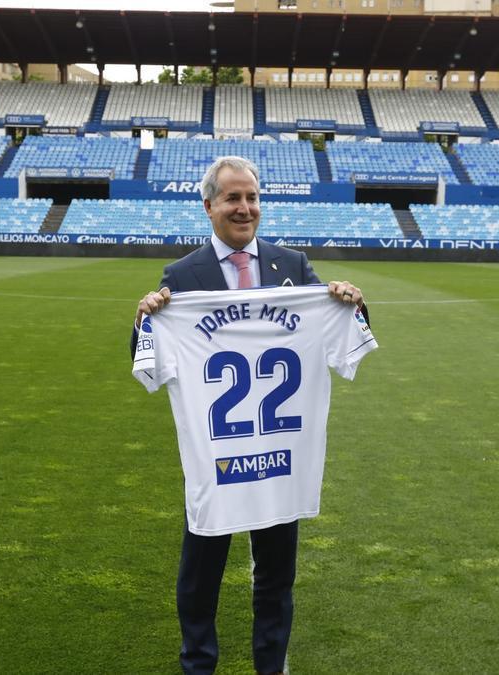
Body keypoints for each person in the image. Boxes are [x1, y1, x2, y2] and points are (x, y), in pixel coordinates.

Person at [133, 156, 367, 675]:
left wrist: (350, 304)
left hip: (280, 452)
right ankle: (198, 664)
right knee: (200, 574)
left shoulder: (295, 266)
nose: (245, 208)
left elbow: (335, 335)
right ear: (209, 206)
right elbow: (148, 356)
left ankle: (271, 663)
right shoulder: (182, 275)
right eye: (233, 198)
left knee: (277, 573)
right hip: (220, 454)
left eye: (253, 198)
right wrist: (145, 318)